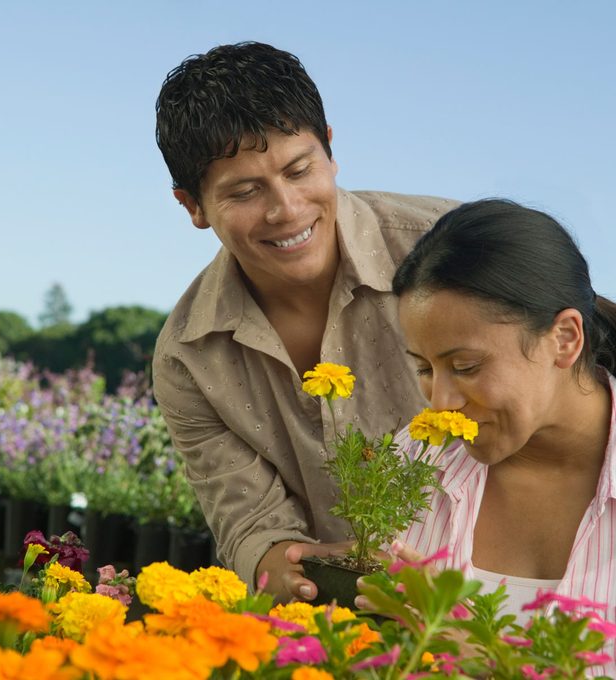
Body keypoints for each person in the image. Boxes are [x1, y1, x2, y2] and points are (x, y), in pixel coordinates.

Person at [151, 40, 457, 602]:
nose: (286, 209)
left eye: (299, 170)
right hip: (337, 623)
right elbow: (249, 524)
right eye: (244, 191)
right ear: (192, 206)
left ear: (331, 149)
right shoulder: (188, 356)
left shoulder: (451, 247)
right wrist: (286, 565)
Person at [349, 198, 616, 674]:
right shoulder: (416, 462)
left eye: (466, 367)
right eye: (424, 368)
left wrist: (481, 657)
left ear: (565, 339)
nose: (440, 405)